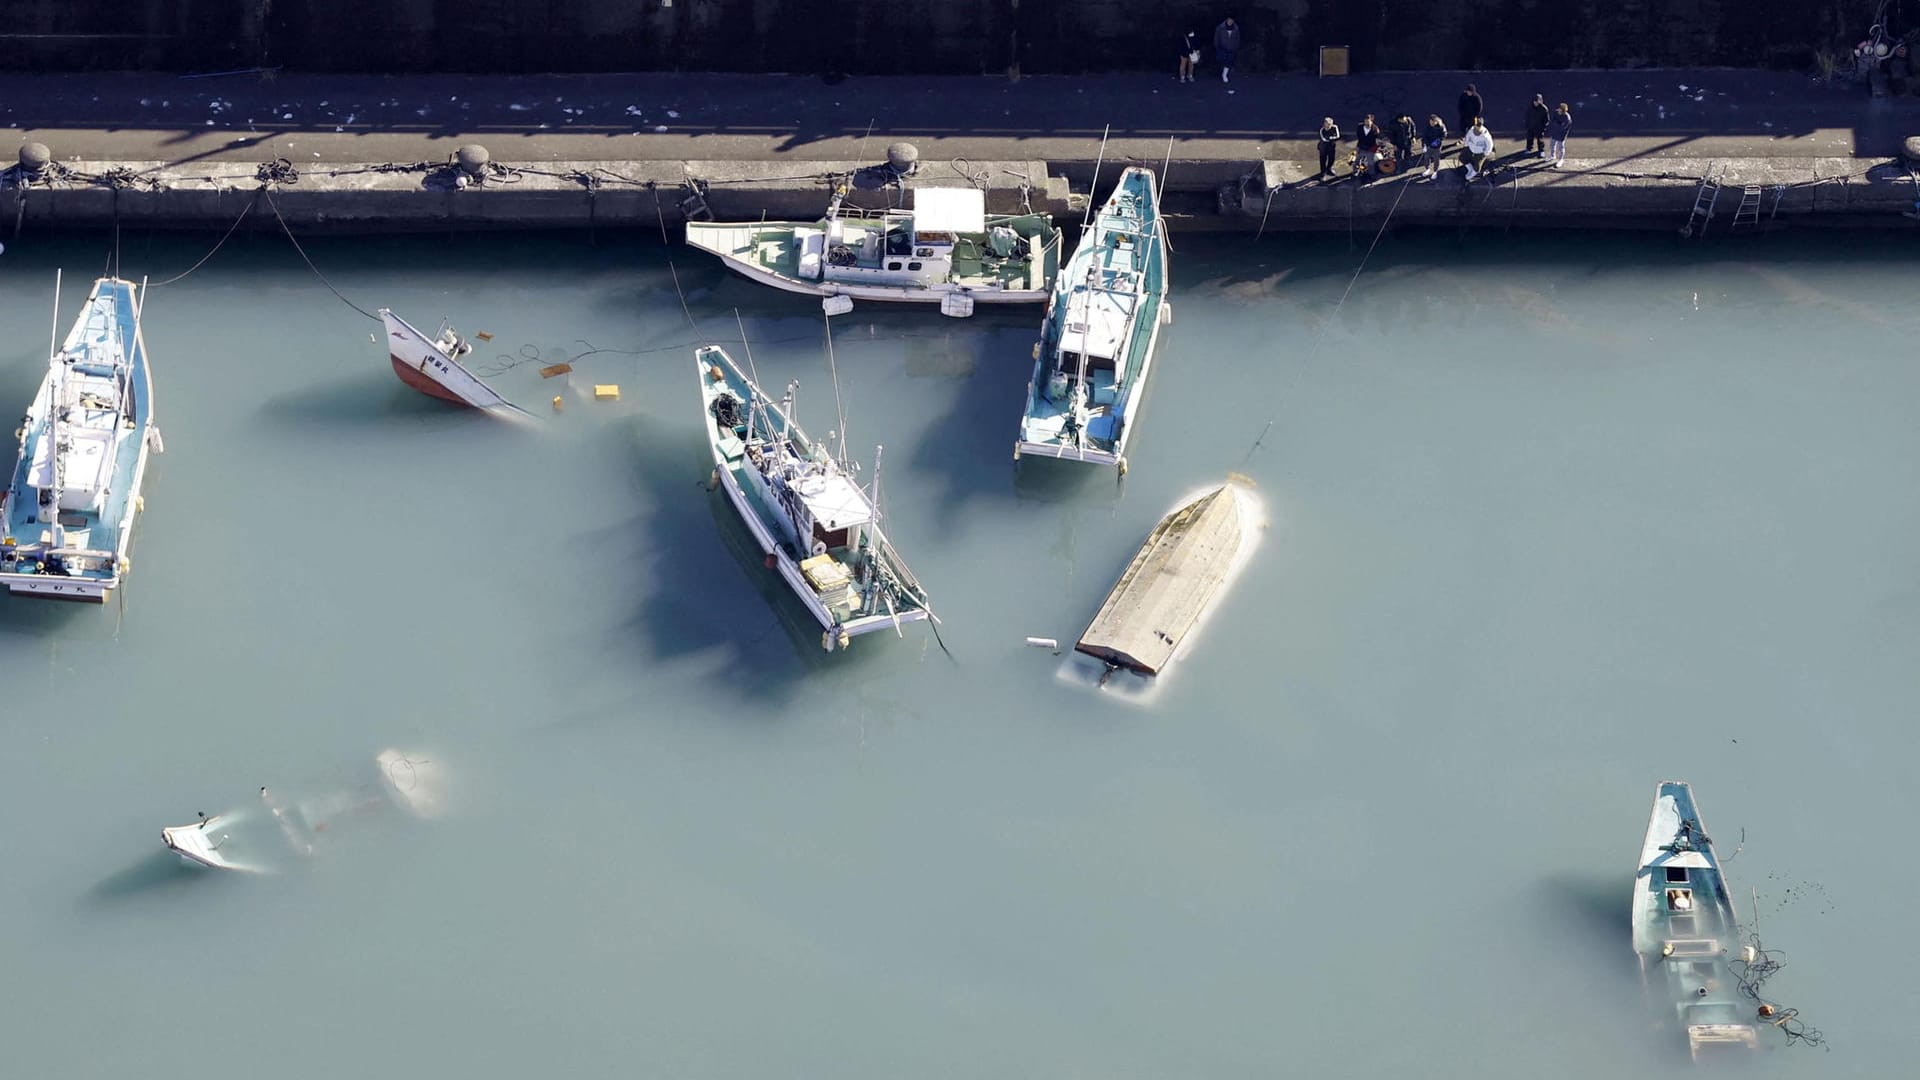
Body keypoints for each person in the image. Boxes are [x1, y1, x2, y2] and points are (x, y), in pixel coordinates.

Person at [1421, 114, 1449, 179]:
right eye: (1431, 122)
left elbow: (1444, 134)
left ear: (1437, 121)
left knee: (1436, 159)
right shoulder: (1427, 126)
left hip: (1437, 146)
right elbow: (1424, 136)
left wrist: (1438, 140)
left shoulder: (1441, 126)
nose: (1432, 123)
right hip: (1428, 145)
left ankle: (1435, 172)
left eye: (1433, 122)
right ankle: (1427, 169)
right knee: (1426, 158)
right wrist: (1424, 145)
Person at [1214, 16, 1241, 83]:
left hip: (1231, 48)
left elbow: (1237, 39)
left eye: (1232, 20)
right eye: (1229, 20)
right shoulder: (1220, 27)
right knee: (1221, 59)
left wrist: (1236, 47)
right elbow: (1216, 37)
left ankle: (1224, 75)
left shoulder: (1236, 28)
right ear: (1226, 20)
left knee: (1229, 62)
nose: (1230, 22)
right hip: (1222, 48)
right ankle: (1221, 72)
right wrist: (1217, 46)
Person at [1545, 102, 1572, 168]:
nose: (1558, 110)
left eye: (1560, 109)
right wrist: (1556, 124)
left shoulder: (1567, 118)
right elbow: (1552, 121)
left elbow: (1562, 128)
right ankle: (1552, 156)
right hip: (1554, 132)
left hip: (1561, 134)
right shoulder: (1556, 113)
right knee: (1552, 144)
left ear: (1563, 110)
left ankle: (1560, 159)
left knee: (1560, 147)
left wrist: (1556, 124)